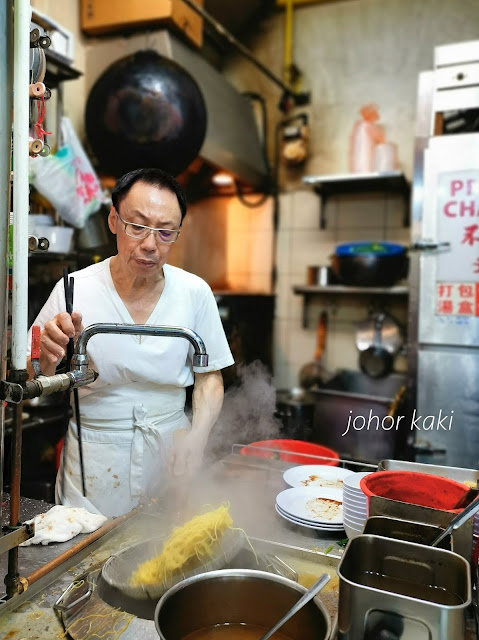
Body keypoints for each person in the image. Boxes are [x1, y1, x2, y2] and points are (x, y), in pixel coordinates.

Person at [27, 168, 234, 517]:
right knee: (84, 563)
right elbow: (32, 373)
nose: (150, 244)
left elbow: (209, 377)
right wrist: (45, 355)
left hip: (171, 455)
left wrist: (198, 437)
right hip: (94, 459)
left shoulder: (194, 292)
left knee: (167, 557)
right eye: (137, 226)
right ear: (113, 220)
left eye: (166, 232)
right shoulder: (74, 289)